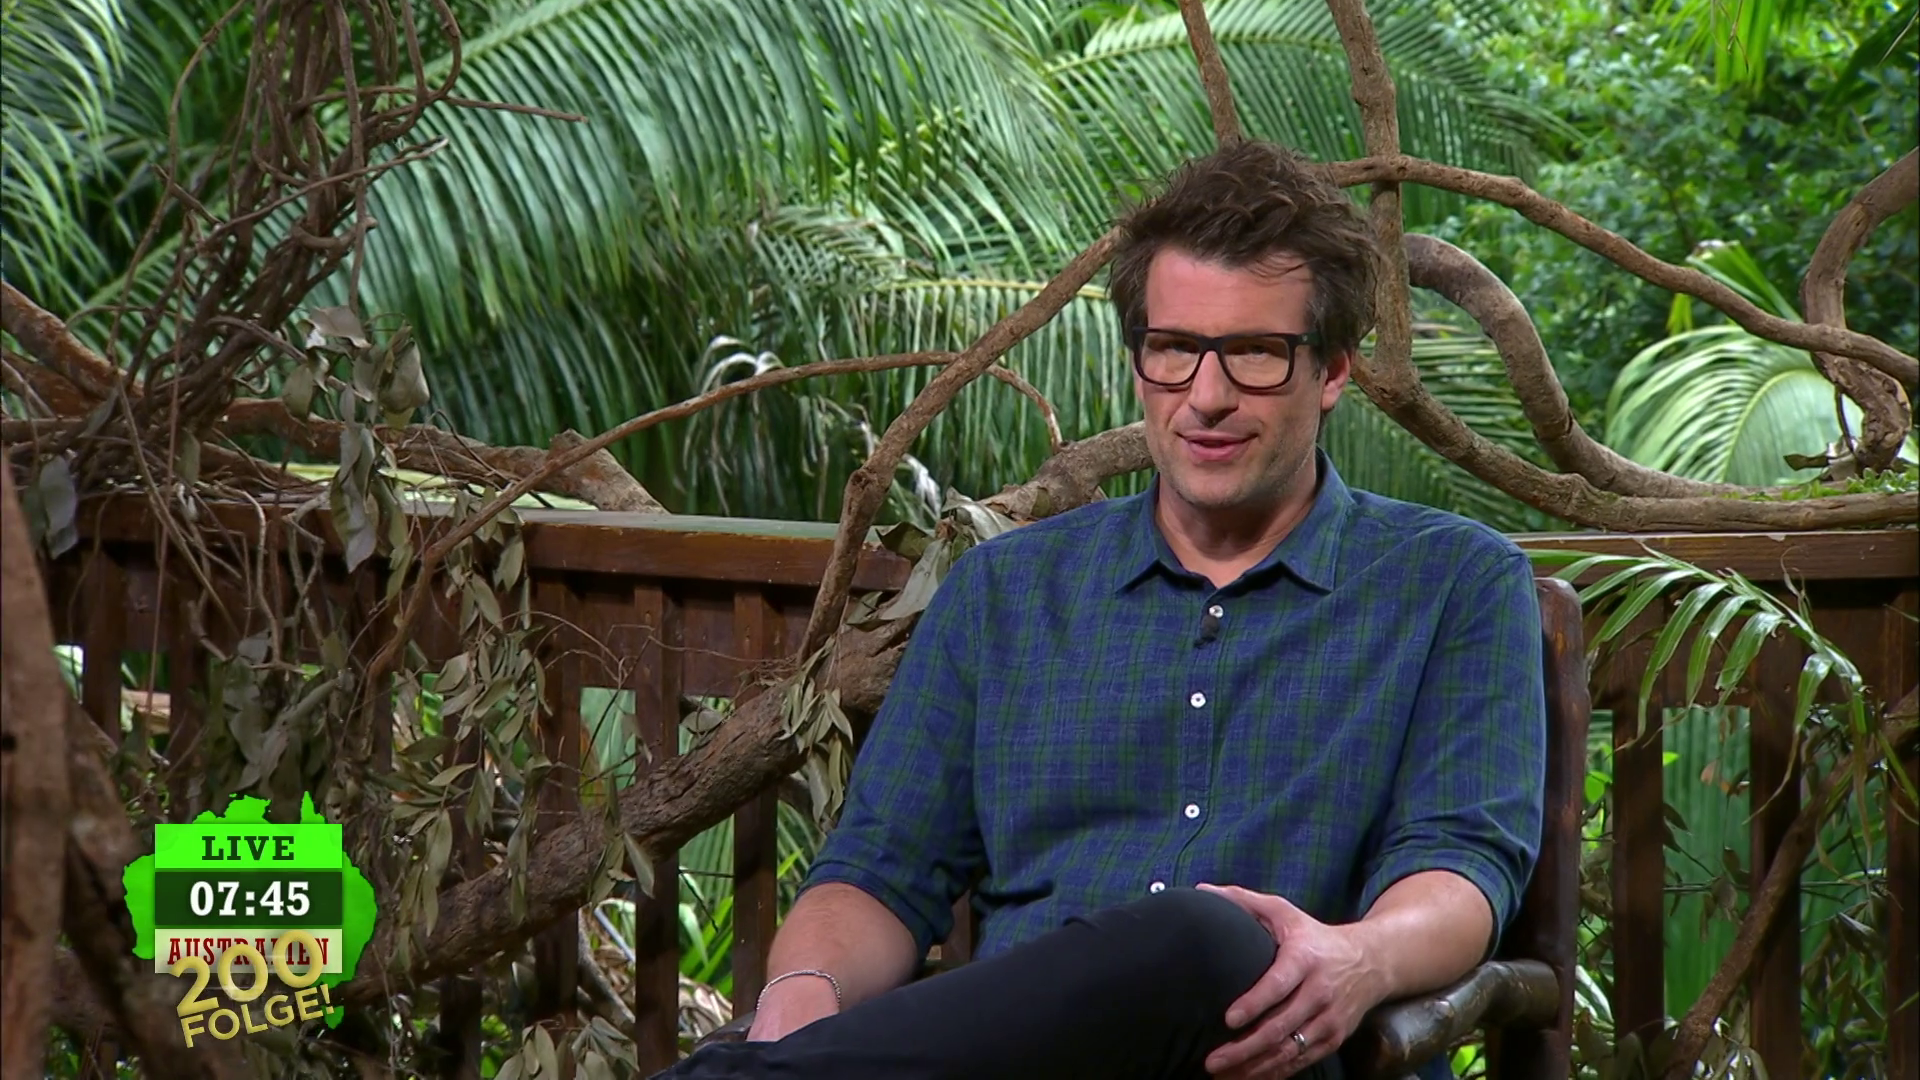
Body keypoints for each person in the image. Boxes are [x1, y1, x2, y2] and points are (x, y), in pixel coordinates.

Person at [652, 139, 1547, 1080]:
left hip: (1276, 1052)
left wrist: (1357, 957)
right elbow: (879, 870)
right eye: (1174, 351)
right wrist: (802, 994)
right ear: (1138, 361)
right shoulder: (1004, 592)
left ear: (1331, 373)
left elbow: (1460, 864)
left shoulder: (1452, 582)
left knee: (1206, 937)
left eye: (1255, 354)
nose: (1206, 397)